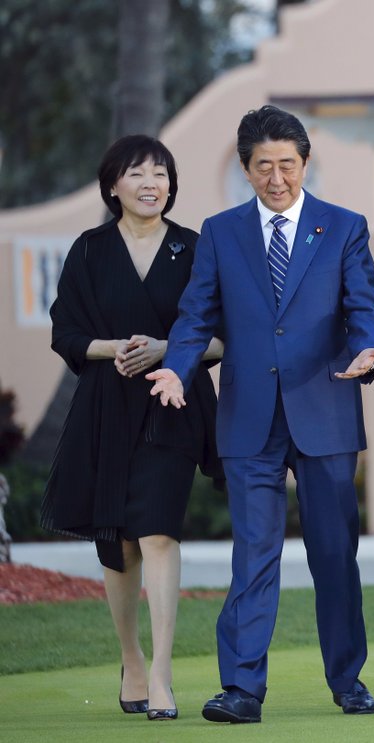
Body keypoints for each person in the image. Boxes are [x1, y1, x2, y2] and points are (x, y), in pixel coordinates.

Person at [148, 105, 374, 723]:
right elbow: (196, 315)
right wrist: (177, 365)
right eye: (263, 167)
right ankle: (243, 690)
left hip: (327, 408)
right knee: (253, 556)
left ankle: (348, 680)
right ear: (246, 169)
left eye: (287, 164)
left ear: (304, 163)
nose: (276, 177)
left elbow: (363, 304)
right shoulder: (221, 233)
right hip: (249, 418)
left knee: (335, 554)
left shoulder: (343, 226)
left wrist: (369, 347)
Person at [41, 135, 224, 721]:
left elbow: (224, 339)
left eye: (162, 173)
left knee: (159, 533)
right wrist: (112, 347)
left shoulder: (197, 249)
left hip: (174, 406)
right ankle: (133, 660)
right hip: (104, 409)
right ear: (113, 184)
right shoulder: (90, 250)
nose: (152, 183)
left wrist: (170, 349)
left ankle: (165, 676)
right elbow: (63, 332)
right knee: (118, 544)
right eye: (138, 173)